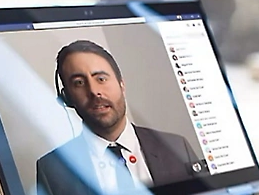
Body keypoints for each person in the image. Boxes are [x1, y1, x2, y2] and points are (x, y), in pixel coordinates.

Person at [37, 40, 202, 195]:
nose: (94, 91)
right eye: (79, 83)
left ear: (121, 85)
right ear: (67, 98)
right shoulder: (50, 169)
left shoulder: (177, 147)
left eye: (101, 79)